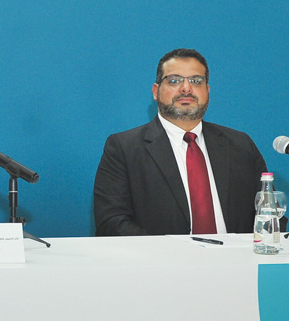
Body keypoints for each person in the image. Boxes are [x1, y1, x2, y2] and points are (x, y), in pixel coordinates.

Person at [94, 48, 267, 236]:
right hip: (161, 262)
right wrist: (172, 256)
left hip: (237, 262)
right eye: (174, 80)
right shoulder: (123, 148)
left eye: (196, 81)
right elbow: (111, 223)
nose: (186, 88)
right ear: (155, 91)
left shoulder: (240, 145)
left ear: (207, 91)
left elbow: (269, 214)